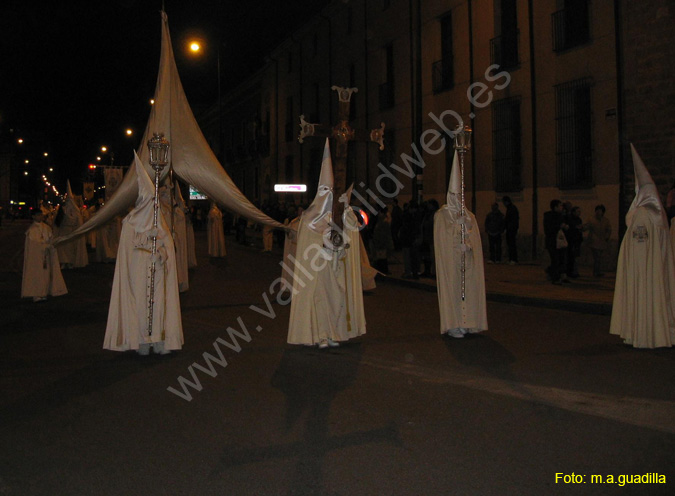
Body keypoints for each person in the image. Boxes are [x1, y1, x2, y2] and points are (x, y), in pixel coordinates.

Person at [287, 139, 366, 348]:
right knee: (319, 300)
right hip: (317, 270)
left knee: (336, 299)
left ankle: (333, 333)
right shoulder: (309, 218)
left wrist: (346, 214)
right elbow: (307, 246)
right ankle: (320, 334)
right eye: (326, 190)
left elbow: (352, 229)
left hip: (335, 268)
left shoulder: (339, 213)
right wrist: (323, 247)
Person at [103, 153, 184, 354]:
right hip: (138, 268)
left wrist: (162, 253)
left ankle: (158, 340)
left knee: (159, 305)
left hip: (156, 267)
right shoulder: (130, 223)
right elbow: (127, 250)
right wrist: (145, 241)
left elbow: (168, 246)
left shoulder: (159, 221)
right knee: (139, 304)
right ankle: (141, 340)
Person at [610, 144, 675, 348]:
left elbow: (639, 246)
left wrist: (636, 269)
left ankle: (642, 334)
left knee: (643, 297)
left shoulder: (642, 213)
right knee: (657, 298)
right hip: (656, 270)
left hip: (643, 270)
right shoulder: (660, 214)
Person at [434, 151, 488, 338]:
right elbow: (441, 240)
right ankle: (453, 323)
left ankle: (468, 321)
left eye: (460, 194)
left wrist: (469, 244)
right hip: (451, 262)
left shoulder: (469, 215)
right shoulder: (442, 215)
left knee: (468, 290)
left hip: (467, 261)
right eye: (455, 194)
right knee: (453, 290)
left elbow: (475, 237)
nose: (458, 198)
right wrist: (454, 232)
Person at [21, 210, 68, 302]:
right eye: (38, 215)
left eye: (41, 215)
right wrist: (45, 246)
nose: (40, 217)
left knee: (46, 275)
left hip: (46, 255)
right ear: (33, 217)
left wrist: (52, 244)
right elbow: (33, 246)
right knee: (37, 274)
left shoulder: (46, 228)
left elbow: (50, 238)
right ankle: (36, 293)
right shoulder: (31, 230)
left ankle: (45, 291)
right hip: (36, 258)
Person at [56, 181, 88, 269]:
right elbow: (57, 220)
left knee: (71, 248)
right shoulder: (62, 209)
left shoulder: (76, 211)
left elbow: (79, 221)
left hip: (72, 231)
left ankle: (70, 262)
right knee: (63, 248)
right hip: (63, 230)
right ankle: (63, 262)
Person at [543, 199, 568, 285]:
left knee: (561, 259)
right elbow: (548, 229)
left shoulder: (560, 215)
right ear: (555, 207)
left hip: (560, 241)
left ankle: (559, 275)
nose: (562, 207)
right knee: (555, 259)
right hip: (553, 241)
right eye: (560, 205)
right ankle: (555, 277)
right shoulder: (549, 216)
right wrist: (559, 226)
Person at [583, 204, 611, 277]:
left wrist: (607, 237)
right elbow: (586, 227)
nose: (598, 212)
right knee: (597, 257)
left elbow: (608, 229)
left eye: (600, 211)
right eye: (597, 210)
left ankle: (597, 271)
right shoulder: (591, 219)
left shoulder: (605, 220)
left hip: (602, 241)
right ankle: (596, 271)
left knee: (599, 258)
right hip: (594, 240)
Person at [372, 205, 394, 274]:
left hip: (382, 243)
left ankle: (383, 271)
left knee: (382, 258)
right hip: (380, 243)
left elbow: (384, 234)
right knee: (381, 258)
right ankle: (382, 271)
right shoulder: (381, 221)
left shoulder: (383, 222)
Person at [565, 206, 583, 278]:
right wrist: (575, 227)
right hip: (571, 240)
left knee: (575, 256)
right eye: (578, 211)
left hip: (577, 240)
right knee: (570, 257)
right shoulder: (569, 219)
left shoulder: (579, 219)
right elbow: (569, 229)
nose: (579, 213)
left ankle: (574, 271)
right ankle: (570, 272)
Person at [502, 195, 519, 264]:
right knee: (511, 244)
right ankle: (512, 258)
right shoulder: (511, 208)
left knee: (511, 244)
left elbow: (510, 220)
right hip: (511, 229)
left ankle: (513, 259)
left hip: (511, 229)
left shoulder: (511, 209)